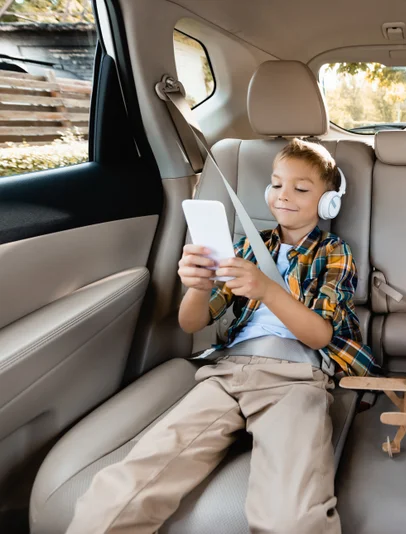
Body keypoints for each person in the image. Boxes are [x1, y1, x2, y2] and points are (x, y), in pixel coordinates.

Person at [66, 138, 377, 534]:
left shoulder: (334, 252)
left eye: (301, 189)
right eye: (276, 184)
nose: (284, 195)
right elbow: (191, 323)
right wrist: (198, 285)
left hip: (296, 377)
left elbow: (319, 335)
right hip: (226, 374)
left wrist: (267, 289)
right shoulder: (246, 247)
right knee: (123, 491)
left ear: (329, 202)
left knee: (290, 515)